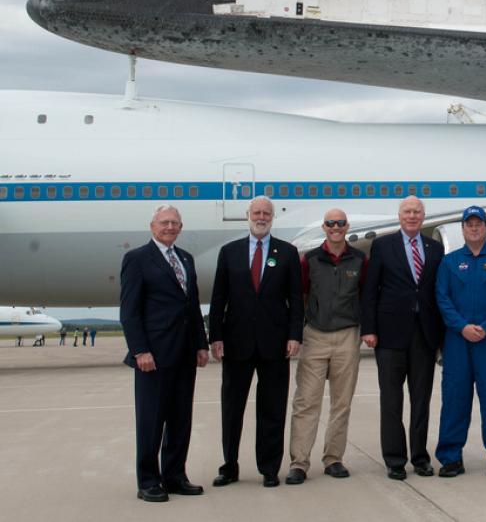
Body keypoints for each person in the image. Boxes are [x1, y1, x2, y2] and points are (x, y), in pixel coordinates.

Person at [208, 196, 303, 488]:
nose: (261, 217)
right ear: (247, 215)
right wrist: (216, 337)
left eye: (266, 213)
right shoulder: (229, 252)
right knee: (232, 408)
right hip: (237, 343)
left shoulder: (287, 252)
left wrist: (294, 335)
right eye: (256, 212)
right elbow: (218, 298)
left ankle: (269, 468)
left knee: (272, 409)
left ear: (273, 217)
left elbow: (296, 300)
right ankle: (230, 466)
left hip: (275, 344)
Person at [120, 205, 209, 502]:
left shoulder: (185, 259)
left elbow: (192, 306)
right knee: (151, 420)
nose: (170, 227)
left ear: (181, 228)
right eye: (164, 222)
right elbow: (130, 312)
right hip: (153, 356)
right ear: (152, 226)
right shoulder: (137, 259)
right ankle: (147, 480)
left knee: (180, 419)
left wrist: (200, 344)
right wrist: (140, 350)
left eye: (175, 223)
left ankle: (174, 475)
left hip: (184, 353)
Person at [362, 196, 445, 480]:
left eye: (417, 212)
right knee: (392, 400)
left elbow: (437, 293)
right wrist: (369, 329)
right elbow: (370, 290)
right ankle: (395, 459)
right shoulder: (382, 246)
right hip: (389, 335)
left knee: (421, 400)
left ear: (423, 217)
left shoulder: (435, 249)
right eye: (407, 212)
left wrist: (442, 336)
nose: (412, 216)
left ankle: (420, 458)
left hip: (424, 335)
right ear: (399, 215)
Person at [435, 206, 486, 478]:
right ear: (462, 229)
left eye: (478, 224)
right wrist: (462, 327)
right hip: (458, 342)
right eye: (469, 224)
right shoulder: (449, 263)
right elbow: (442, 298)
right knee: (454, 401)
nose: (474, 228)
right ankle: (450, 458)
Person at [285, 208, 366, 485]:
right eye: (330, 223)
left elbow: (365, 296)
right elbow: (301, 295)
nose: (335, 227)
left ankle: (333, 459)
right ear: (324, 226)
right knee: (306, 402)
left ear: (347, 226)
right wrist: (300, 331)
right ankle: (299, 463)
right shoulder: (310, 260)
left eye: (340, 223)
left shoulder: (359, 258)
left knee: (341, 403)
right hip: (316, 335)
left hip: (347, 335)